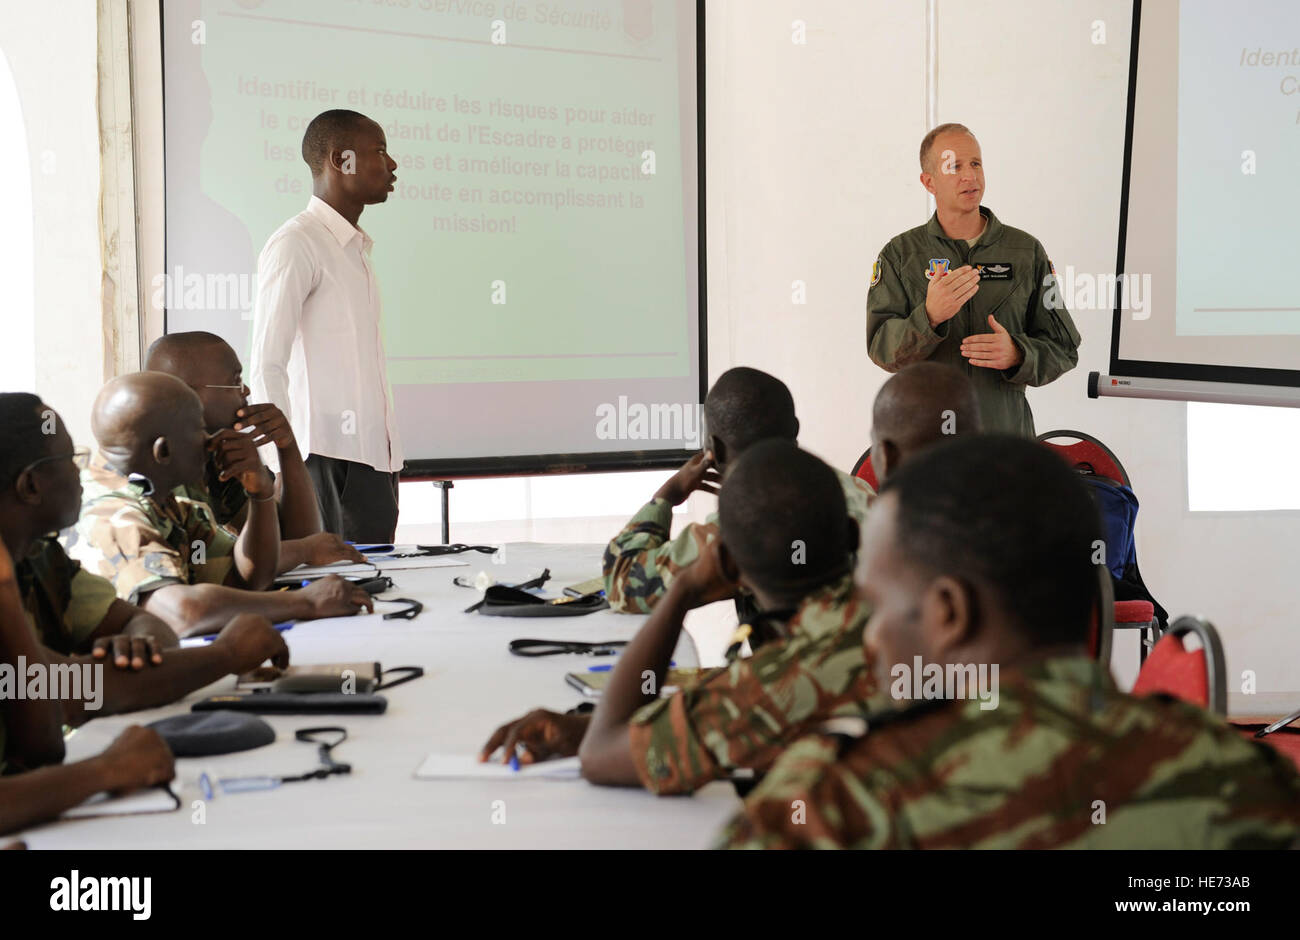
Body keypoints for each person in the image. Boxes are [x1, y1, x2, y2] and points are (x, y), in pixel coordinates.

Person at [719, 436, 1300, 849]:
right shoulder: (1241, 777)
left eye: (876, 606)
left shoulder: (834, 800)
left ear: (949, 612)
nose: (869, 634)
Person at [0, 395, 294, 744]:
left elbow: (152, 630)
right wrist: (226, 654)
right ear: (31, 485)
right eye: (71, 459)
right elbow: (62, 695)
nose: (82, 470)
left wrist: (137, 647)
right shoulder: (110, 512)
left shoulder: (40, 556)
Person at [64, 374, 374, 637]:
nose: (209, 441)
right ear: (164, 451)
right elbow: (183, 614)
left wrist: (261, 493)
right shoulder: (116, 516)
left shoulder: (163, 499)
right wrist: (305, 603)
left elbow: (248, 575)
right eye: (199, 430)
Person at [866, 123, 1081, 437]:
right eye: (954, 166)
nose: (970, 176)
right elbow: (881, 348)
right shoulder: (900, 255)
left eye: (976, 164)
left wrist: (1018, 354)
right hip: (928, 443)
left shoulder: (1025, 251)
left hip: (1005, 444)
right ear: (929, 182)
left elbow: (1063, 349)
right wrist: (929, 318)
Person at [603, 367, 873, 613]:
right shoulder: (860, 491)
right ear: (795, 429)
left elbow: (623, 581)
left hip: (803, 665)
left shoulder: (748, 521)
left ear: (715, 450)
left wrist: (666, 497)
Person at [249, 109, 403, 542]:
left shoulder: (355, 249)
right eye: (380, 151)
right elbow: (266, 365)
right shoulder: (297, 243)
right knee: (332, 595)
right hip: (323, 461)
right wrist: (283, 468)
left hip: (375, 460)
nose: (392, 165)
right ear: (341, 160)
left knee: (374, 594)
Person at [146, 331, 365, 570]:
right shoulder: (160, 468)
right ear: (188, 393)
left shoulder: (214, 455)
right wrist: (307, 550)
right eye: (236, 381)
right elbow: (211, 566)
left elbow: (286, 540)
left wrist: (287, 447)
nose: (246, 391)